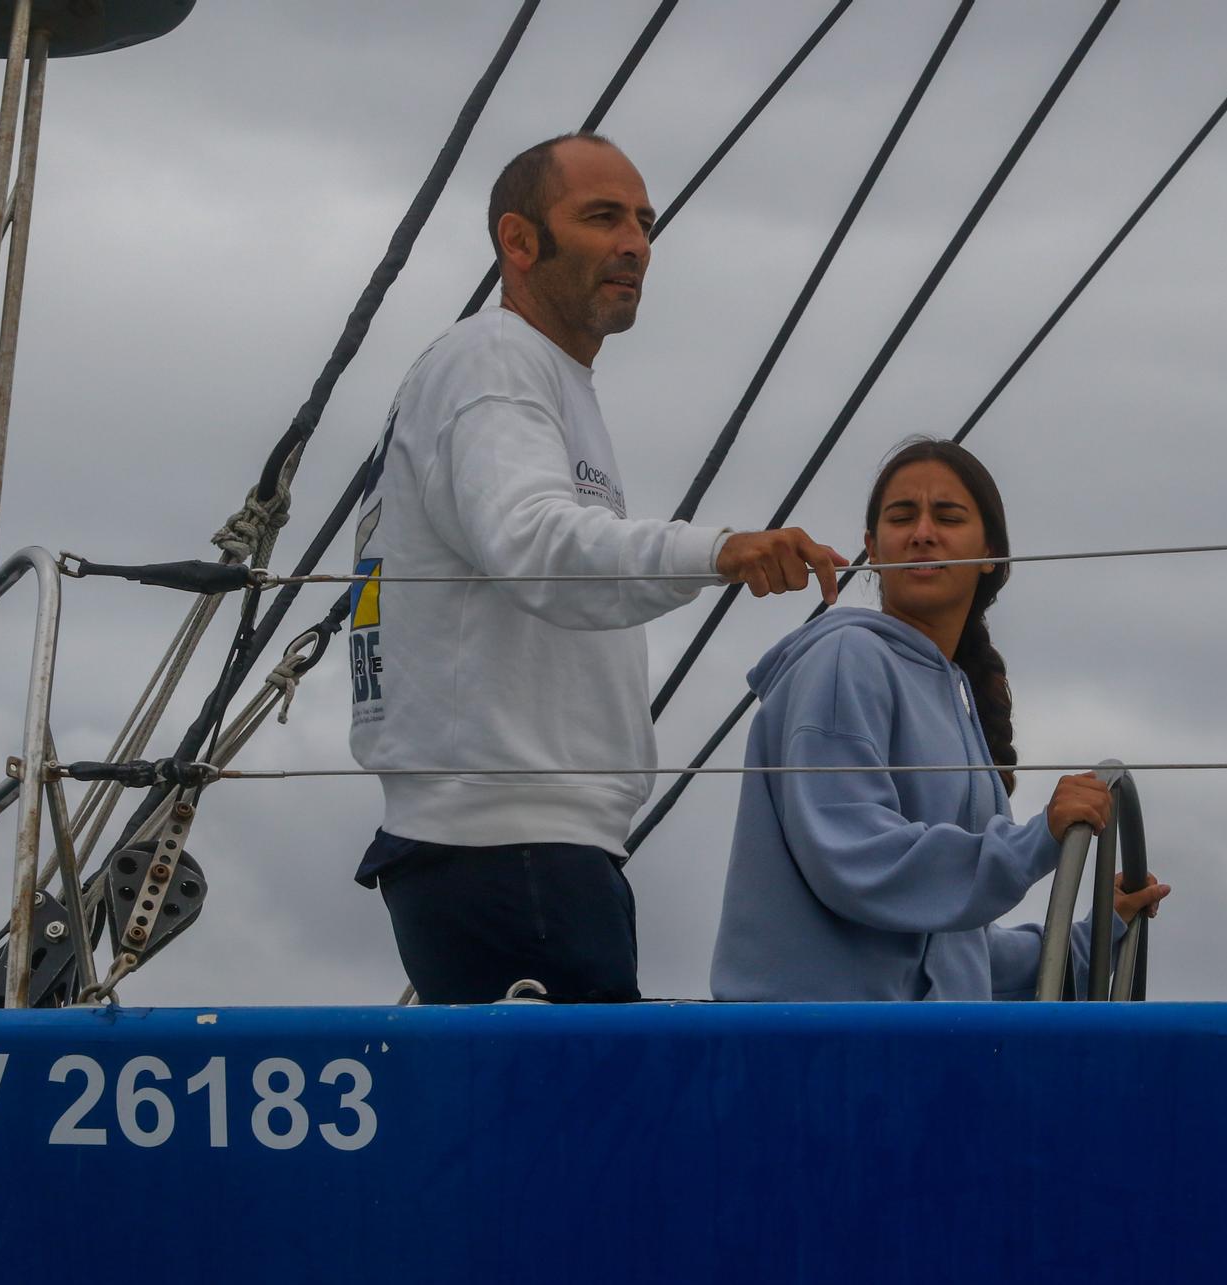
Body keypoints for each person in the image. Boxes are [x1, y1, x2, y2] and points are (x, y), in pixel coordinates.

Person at [349, 133, 844, 1004]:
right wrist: (718, 549)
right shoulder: (495, 363)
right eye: (604, 217)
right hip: (510, 853)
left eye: (646, 223)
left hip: (527, 849)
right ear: (519, 240)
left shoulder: (537, 375)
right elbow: (535, 546)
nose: (637, 244)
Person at [710, 437, 1168, 1001]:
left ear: (992, 554)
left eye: (947, 517)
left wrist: (1090, 937)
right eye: (903, 517)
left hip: (916, 1055)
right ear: (872, 550)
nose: (923, 532)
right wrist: (1034, 842)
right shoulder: (844, 658)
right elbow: (859, 860)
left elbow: (946, 954)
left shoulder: (956, 695)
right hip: (823, 1057)